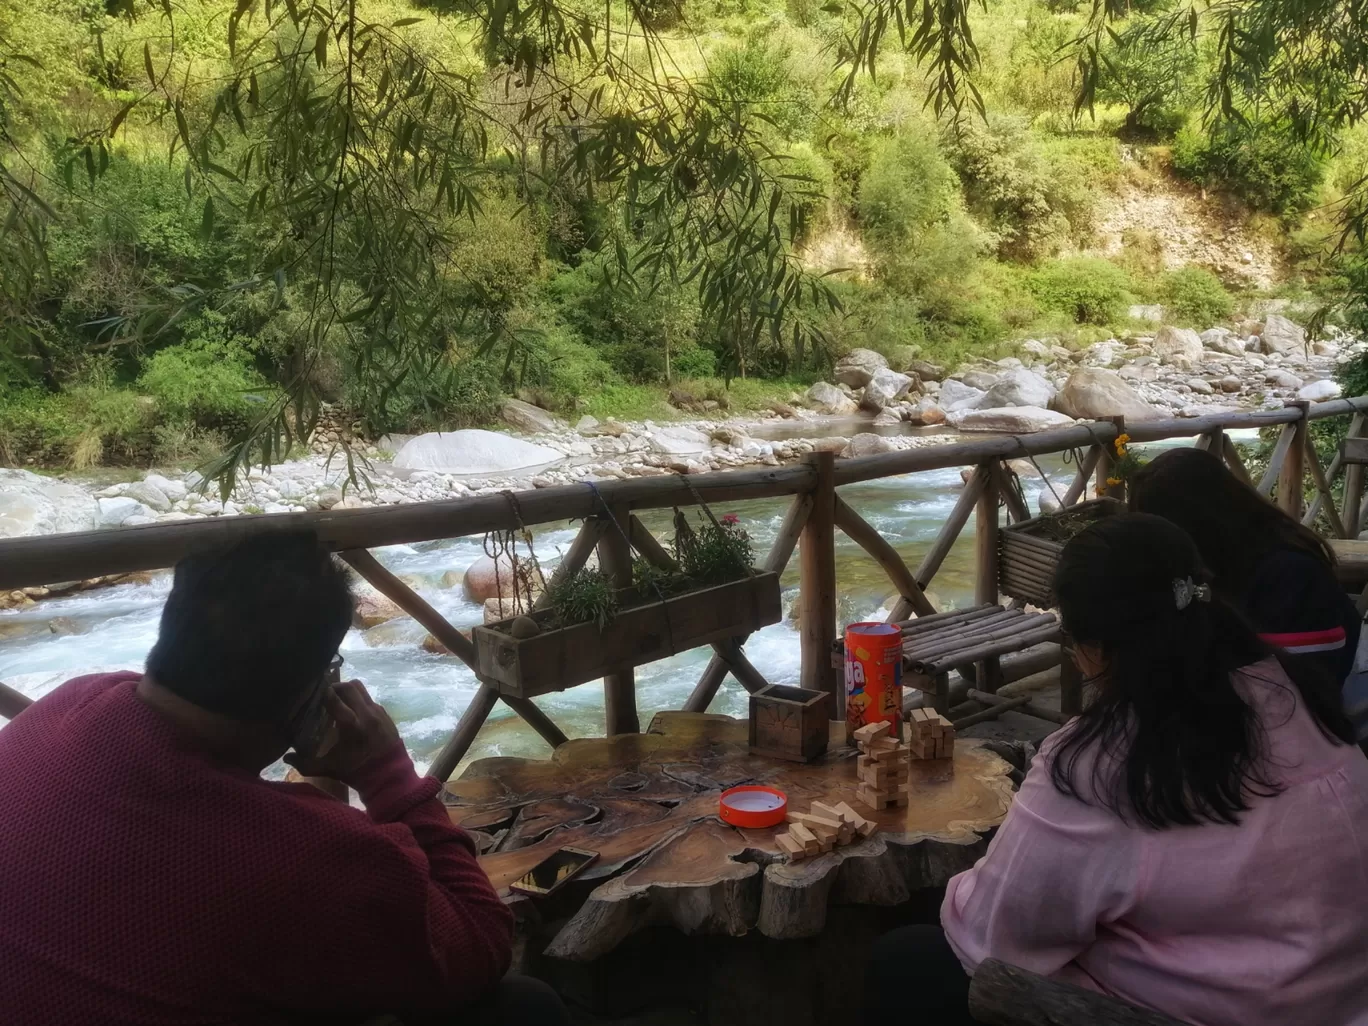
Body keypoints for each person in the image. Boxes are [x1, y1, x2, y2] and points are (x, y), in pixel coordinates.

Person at [0, 530, 570, 1026]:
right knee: (523, 1007)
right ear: (314, 689)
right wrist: (389, 777)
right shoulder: (308, 856)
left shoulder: (68, 703)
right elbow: (480, 945)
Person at [863, 514, 1368, 1026]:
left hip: (1205, 1010)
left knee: (910, 959)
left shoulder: (1100, 765)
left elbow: (996, 940)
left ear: (1097, 647)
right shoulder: (1297, 692)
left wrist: (965, 884)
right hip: (1339, 994)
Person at [1129, 445, 1361, 690]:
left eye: (1159, 531)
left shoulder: (1290, 574)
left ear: (1195, 524)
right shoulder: (1229, 558)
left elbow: (1301, 683)